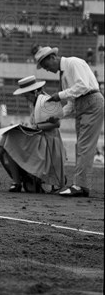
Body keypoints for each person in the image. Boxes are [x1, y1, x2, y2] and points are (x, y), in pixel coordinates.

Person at [34, 46, 104, 197]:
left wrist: (59, 95)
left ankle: (80, 185)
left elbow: (83, 86)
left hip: (91, 101)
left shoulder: (73, 63)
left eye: (46, 66)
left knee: (84, 146)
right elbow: (72, 102)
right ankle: (81, 185)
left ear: (52, 58)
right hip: (83, 103)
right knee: (81, 146)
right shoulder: (64, 74)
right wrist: (59, 115)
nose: (47, 70)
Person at [0, 76, 66, 192]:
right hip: (40, 140)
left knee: (10, 137)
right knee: (10, 137)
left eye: (27, 95)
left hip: (48, 143)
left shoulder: (47, 101)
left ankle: (3, 173)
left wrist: (35, 127)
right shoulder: (35, 102)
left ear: (36, 91)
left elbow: (56, 124)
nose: (26, 98)